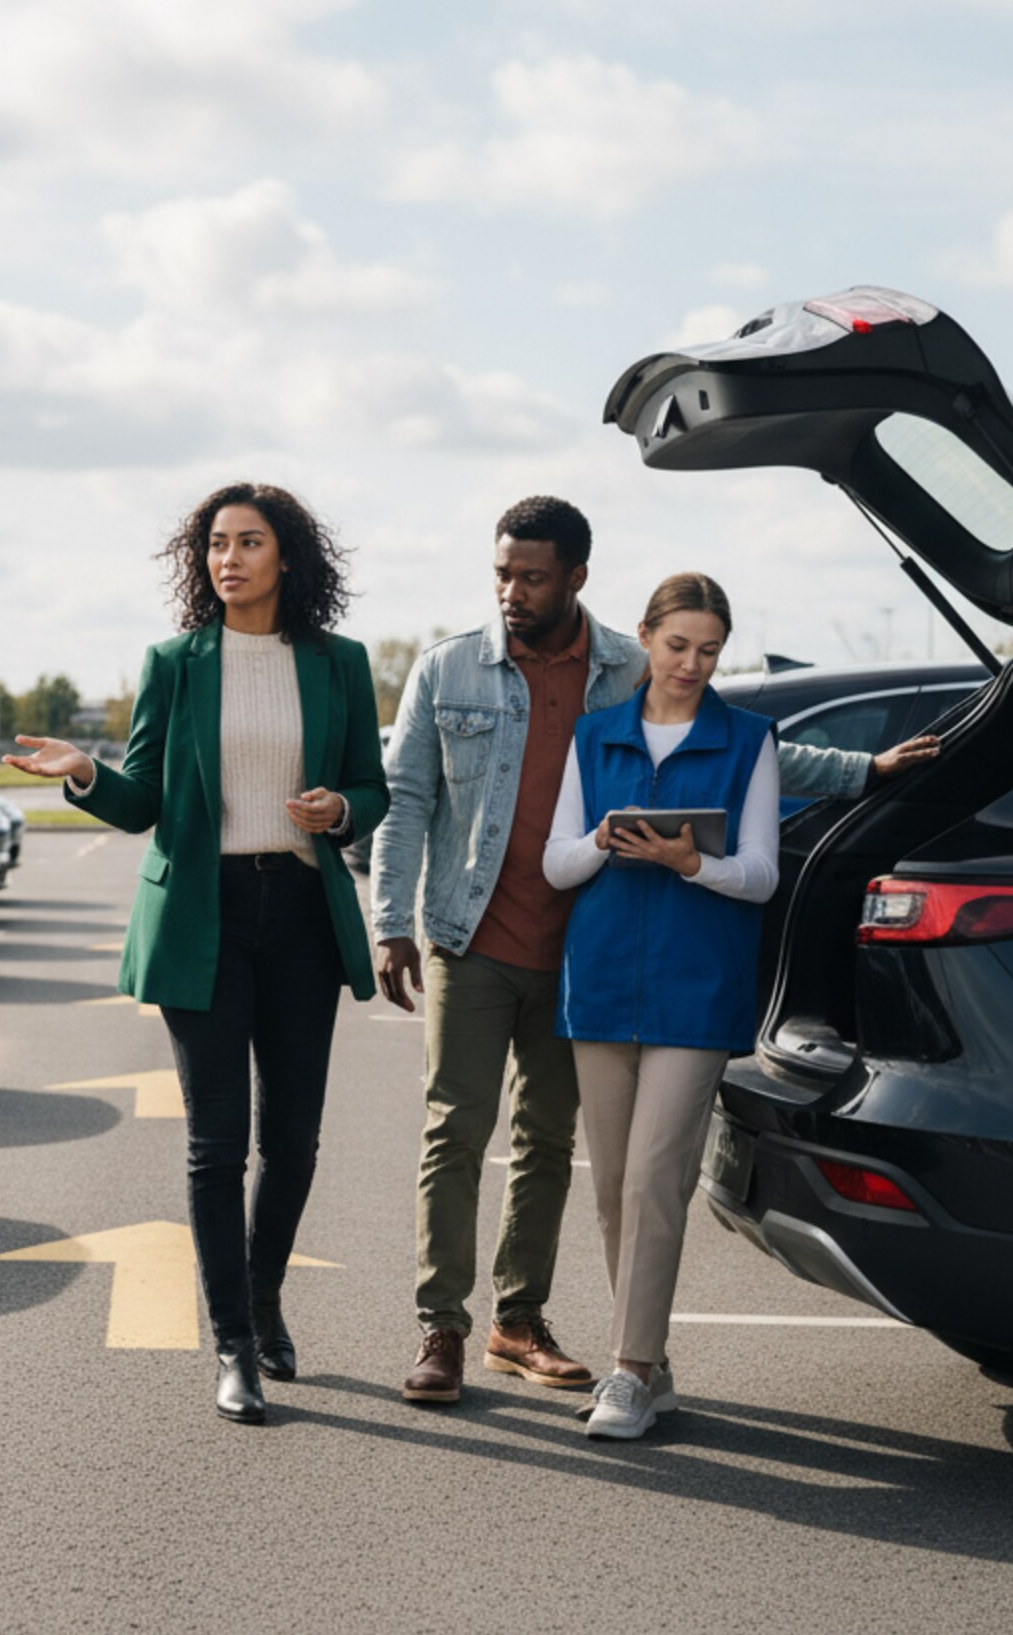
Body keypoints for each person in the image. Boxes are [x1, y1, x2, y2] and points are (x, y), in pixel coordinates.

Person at [371, 496, 939, 1406]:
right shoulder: (450, 669)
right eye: (503, 574)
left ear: (577, 579)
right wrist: (391, 919)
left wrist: (862, 769)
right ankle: (442, 1326)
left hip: (574, 949)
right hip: (469, 933)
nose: (513, 592)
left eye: (533, 576)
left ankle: (522, 1323)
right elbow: (406, 800)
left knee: (548, 1143)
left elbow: (752, 750)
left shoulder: (626, 668)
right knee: (456, 1129)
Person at [6, 482, 388, 1424]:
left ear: (287, 557)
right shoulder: (174, 663)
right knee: (216, 1146)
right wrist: (87, 773)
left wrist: (339, 811)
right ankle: (233, 1346)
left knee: (291, 1140)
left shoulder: (338, 663)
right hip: (203, 917)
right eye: (216, 544)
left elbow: (372, 791)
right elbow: (142, 800)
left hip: (300, 908)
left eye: (250, 543)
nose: (229, 559)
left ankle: (264, 1297)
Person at [543, 573, 771, 1438]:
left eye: (709, 650)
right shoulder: (595, 736)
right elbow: (555, 863)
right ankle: (655, 1366)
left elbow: (759, 875)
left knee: (653, 1183)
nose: (692, 664)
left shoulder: (749, 738)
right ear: (644, 637)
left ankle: (630, 1372)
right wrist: (602, 841)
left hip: (696, 988)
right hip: (599, 981)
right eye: (678, 645)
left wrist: (690, 865)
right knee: (610, 1193)